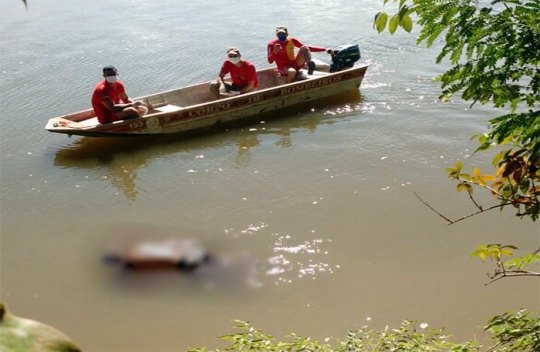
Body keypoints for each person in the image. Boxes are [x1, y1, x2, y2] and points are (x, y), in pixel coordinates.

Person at [267, 26, 332, 83]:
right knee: (292, 71)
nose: (281, 36)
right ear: (276, 35)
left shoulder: (292, 40)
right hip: (283, 67)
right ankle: (288, 85)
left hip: (295, 63)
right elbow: (270, 61)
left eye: (283, 34)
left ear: (287, 34)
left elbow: (308, 48)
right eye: (279, 34)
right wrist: (274, 52)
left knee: (304, 47)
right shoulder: (272, 45)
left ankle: (310, 65)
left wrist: (324, 49)